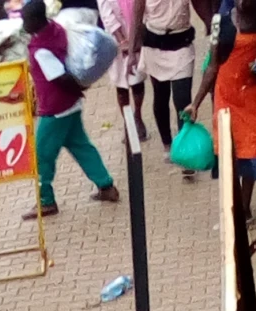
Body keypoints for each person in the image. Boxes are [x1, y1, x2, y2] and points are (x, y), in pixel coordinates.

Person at [22, 0, 120, 214]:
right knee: (81, 146)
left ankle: (46, 200)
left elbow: (59, 77)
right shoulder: (56, 30)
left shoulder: (40, 50)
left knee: (41, 156)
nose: (24, 24)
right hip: (71, 105)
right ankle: (106, 186)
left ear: (37, 20)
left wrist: (78, 87)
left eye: (26, 20)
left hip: (55, 110)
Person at [193, 0, 256, 194]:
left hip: (254, 97)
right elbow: (212, 67)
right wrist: (195, 103)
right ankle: (234, 205)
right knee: (230, 152)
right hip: (227, 97)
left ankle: (244, 206)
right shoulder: (222, 24)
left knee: (254, 149)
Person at [136, 0, 199, 157]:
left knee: (183, 100)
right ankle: (167, 144)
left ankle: (185, 151)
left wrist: (211, 25)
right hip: (154, 44)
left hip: (182, 43)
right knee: (161, 96)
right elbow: (138, 9)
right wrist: (132, 49)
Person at [98, 0, 148, 139]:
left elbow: (142, 8)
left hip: (136, 33)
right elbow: (107, 16)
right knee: (121, 85)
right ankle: (128, 122)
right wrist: (123, 42)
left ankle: (137, 115)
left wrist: (135, 39)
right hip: (115, 40)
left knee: (137, 80)